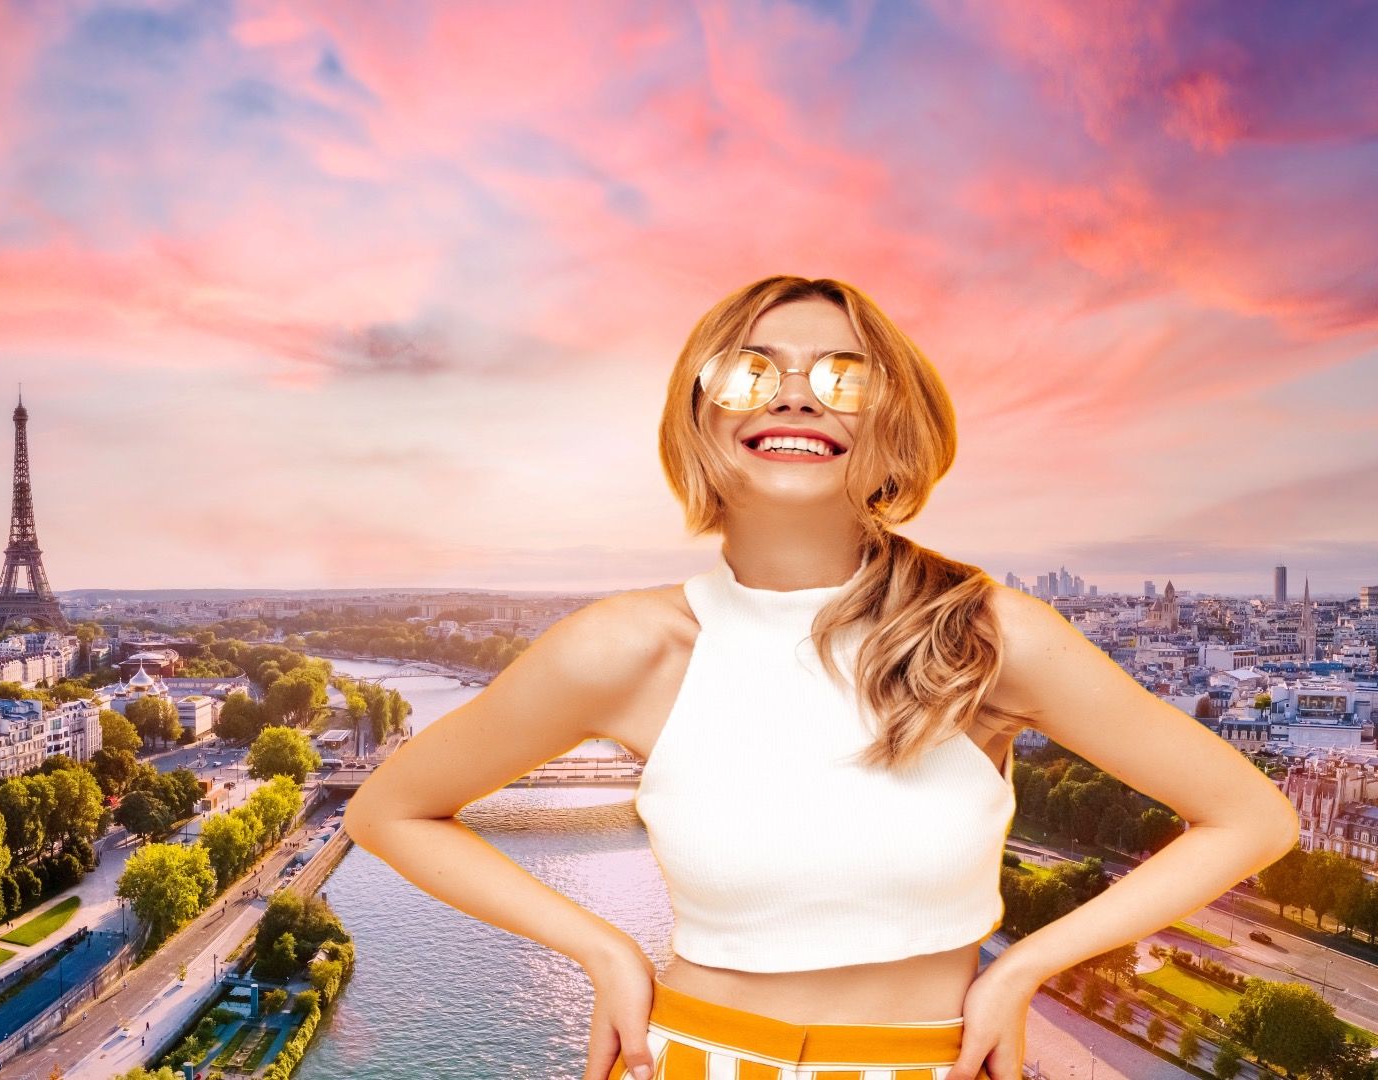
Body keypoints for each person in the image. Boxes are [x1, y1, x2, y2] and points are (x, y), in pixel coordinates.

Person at [344, 275, 1300, 1080]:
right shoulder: (625, 647)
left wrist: (1022, 971)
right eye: (751, 369)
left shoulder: (985, 637)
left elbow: (1252, 817)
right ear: (698, 413)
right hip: (702, 1054)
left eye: (845, 375)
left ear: (894, 424)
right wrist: (603, 948)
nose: (795, 394)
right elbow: (388, 809)